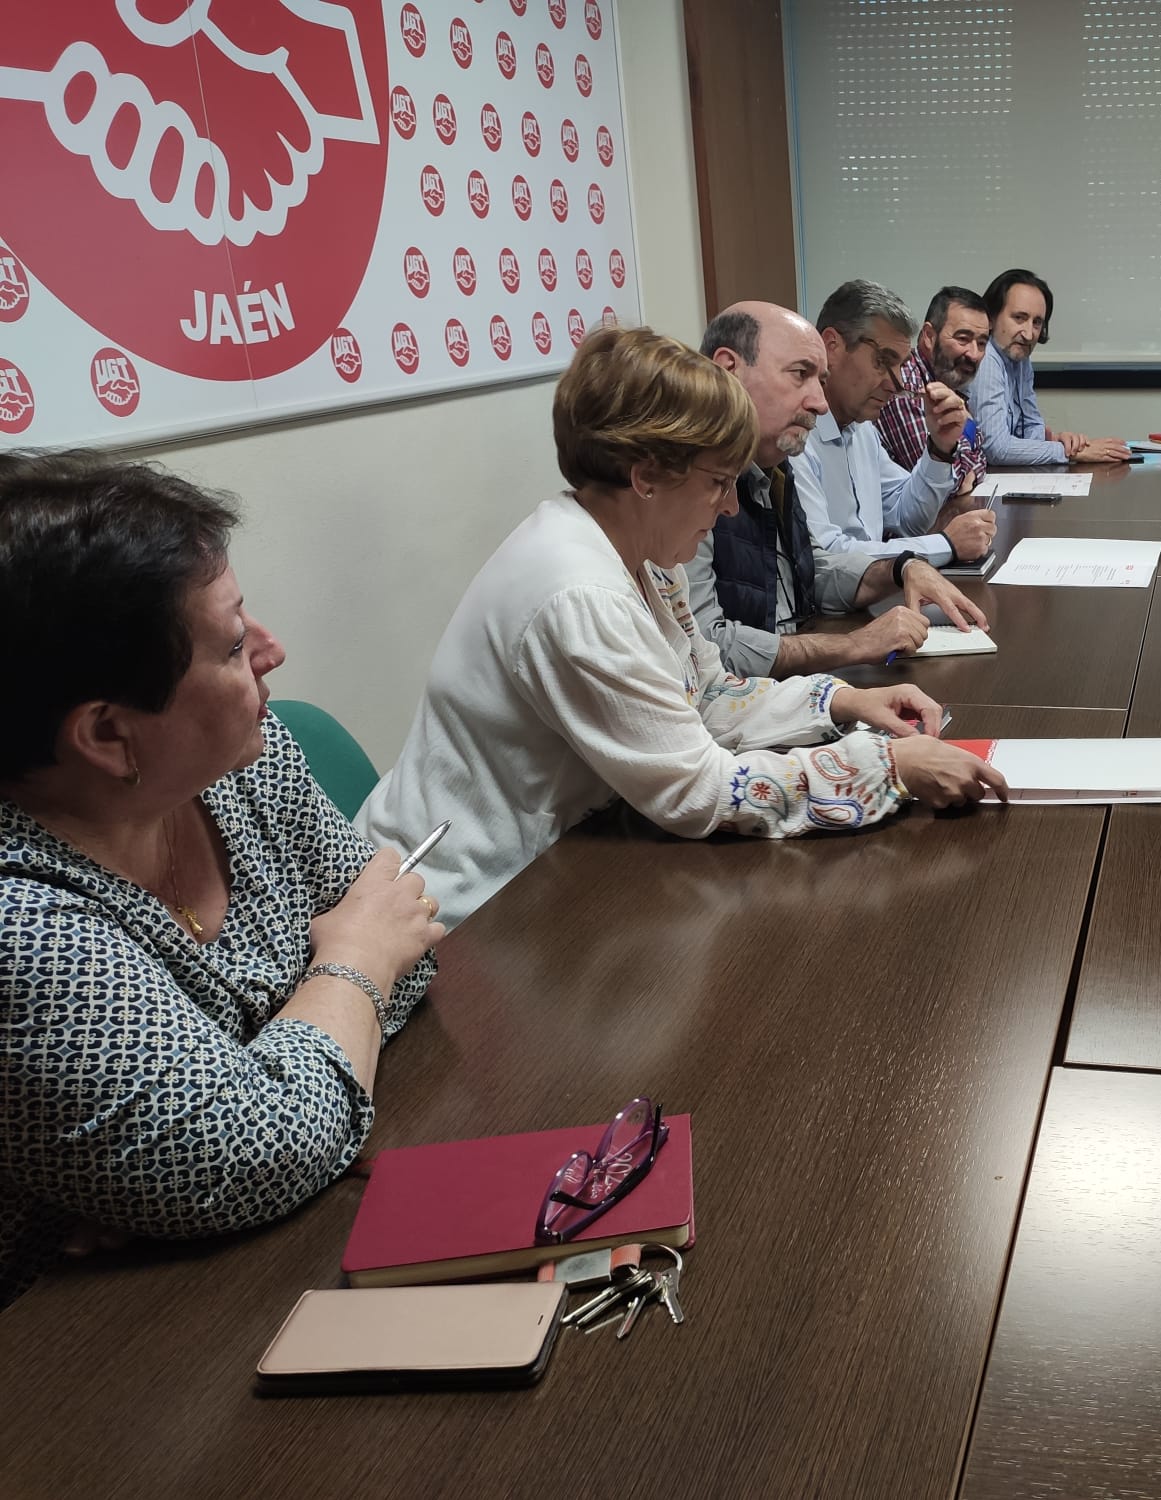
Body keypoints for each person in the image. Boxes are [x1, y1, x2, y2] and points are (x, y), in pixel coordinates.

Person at [357, 327, 1007, 926]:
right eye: (718, 482)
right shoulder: (578, 594)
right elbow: (701, 792)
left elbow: (709, 695)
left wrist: (842, 700)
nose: (728, 508)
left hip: (561, 862)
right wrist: (887, 766)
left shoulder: (641, 557)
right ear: (645, 476)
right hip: (461, 904)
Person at [0, 452, 441, 1307]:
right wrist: (348, 967)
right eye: (235, 645)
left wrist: (244, 1100)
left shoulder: (240, 763)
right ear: (107, 735)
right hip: (89, 1350)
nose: (274, 651)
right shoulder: (21, 919)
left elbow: (408, 939)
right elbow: (252, 1152)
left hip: (258, 1255)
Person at [686, 301, 988, 679]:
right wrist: (852, 645)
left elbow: (809, 573)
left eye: (820, 379)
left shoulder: (773, 465)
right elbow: (701, 650)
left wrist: (900, 567)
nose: (820, 403)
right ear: (728, 369)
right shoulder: (683, 479)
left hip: (776, 689)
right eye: (801, 374)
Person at [793, 279, 997, 569]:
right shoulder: (796, 437)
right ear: (831, 346)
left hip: (874, 594)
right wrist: (946, 545)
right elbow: (828, 556)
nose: (898, 383)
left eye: (902, 365)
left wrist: (940, 450)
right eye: (883, 361)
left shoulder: (862, 430)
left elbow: (906, 517)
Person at [968, 268, 1131, 466]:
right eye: (1019, 318)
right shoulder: (986, 361)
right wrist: (1068, 453)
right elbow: (996, 449)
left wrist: (1059, 441)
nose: (1028, 334)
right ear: (991, 318)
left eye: (1037, 322)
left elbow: (1031, 425)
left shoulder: (1020, 357)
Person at [876, 284, 990, 493]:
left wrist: (969, 434)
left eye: (982, 343)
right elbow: (944, 484)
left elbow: (981, 456)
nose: (974, 354)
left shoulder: (945, 377)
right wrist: (969, 468)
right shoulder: (907, 384)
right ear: (929, 336)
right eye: (963, 339)